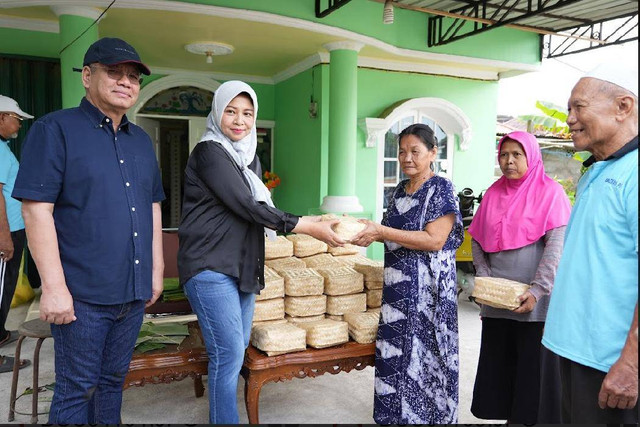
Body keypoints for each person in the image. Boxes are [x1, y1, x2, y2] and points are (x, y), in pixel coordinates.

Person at [12, 38, 164, 424]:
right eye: (114, 72)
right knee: (76, 388)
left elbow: (152, 207)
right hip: (82, 297)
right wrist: (54, 287)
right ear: (87, 75)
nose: (126, 82)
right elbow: (36, 211)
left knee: (112, 382)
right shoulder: (55, 129)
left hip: (131, 292)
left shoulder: (142, 141)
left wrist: (156, 273)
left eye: (133, 76)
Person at [177, 80, 344, 424]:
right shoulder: (210, 152)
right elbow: (247, 205)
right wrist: (308, 225)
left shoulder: (248, 159)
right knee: (227, 354)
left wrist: (303, 222)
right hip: (210, 267)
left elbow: (256, 207)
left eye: (248, 113)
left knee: (236, 354)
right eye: (231, 111)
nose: (240, 120)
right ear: (217, 112)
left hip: (241, 267)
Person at [542, 63, 638, 424]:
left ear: (623, 107)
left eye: (578, 107)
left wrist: (631, 363)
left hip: (611, 362)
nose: (568, 119)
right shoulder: (597, 170)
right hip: (574, 351)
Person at [349, 123, 464, 424]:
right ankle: (395, 417)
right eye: (401, 151)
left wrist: (381, 230)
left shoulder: (441, 188)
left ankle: (428, 418)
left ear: (433, 153)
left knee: (425, 357)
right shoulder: (400, 190)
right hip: (397, 291)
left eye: (415, 151)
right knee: (395, 352)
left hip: (428, 294)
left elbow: (434, 240)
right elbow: (393, 233)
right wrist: (368, 232)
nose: (407, 158)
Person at [466, 131, 571, 424]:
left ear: (531, 156)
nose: (509, 161)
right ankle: (509, 419)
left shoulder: (551, 193)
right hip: (497, 300)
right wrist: (486, 280)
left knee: (532, 371)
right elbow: (476, 237)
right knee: (500, 368)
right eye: (503, 155)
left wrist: (537, 290)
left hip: (533, 302)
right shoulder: (494, 192)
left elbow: (556, 247)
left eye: (517, 154)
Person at [0, 95, 33, 374]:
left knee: (6, 288)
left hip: (11, 228)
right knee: (0, 290)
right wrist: (4, 237)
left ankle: (0, 333)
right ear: (1, 117)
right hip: (5, 230)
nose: (19, 125)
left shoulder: (3, 147)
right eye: (16, 119)